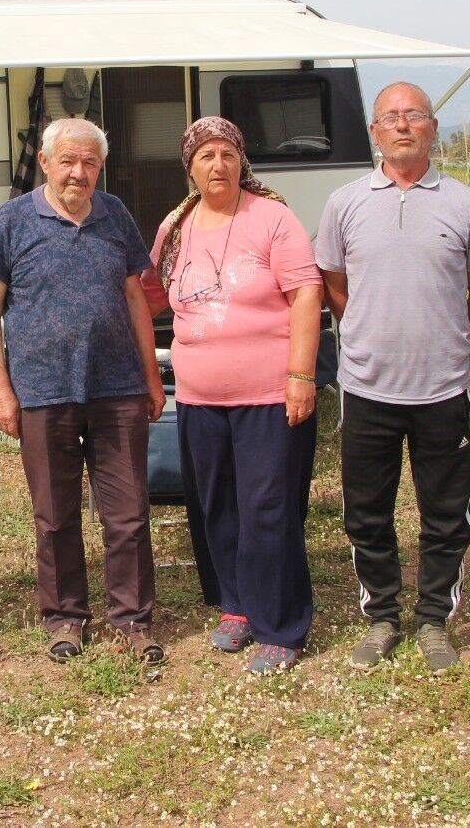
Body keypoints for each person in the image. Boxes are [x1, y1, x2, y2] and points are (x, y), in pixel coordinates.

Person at [314, 82, 470, 672]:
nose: (402, 126)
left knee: (445, 514)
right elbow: (335, 287)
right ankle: (382, 617)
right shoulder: (344, 204)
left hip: (441, 386)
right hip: (366, 386)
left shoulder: (467, 206)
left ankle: (435, 619)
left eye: (414, 115)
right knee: (367, 512)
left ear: (432, 129)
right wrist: (371, 330)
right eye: (390, 117)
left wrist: (442, 337)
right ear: (374, 132)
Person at [0, 117, 168, 664]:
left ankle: (132, 620)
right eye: (67, 161)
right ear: (44, 162)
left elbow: (134, 297)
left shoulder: (115, 214)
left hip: (117, 389)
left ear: (100, 167)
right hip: (41, 391)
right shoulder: (12, 220)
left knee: (128, 513)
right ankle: (65, 617)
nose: (78, 173)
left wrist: (151, 376)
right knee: (55, 515)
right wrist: (1, 389)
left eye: (89, 163)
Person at [142, 117, 323, 673]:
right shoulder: (176, 226)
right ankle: (237, 605)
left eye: (227, 154)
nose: (217, 165)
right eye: (205, 156)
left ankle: (280, 625)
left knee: (268, 508)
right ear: (189, 167)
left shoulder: (272, 217)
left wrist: (301, 376)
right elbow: (148, 295)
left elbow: (306, 293)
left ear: (241, 161)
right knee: (216, 505)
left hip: (269, 394)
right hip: (200, 396)